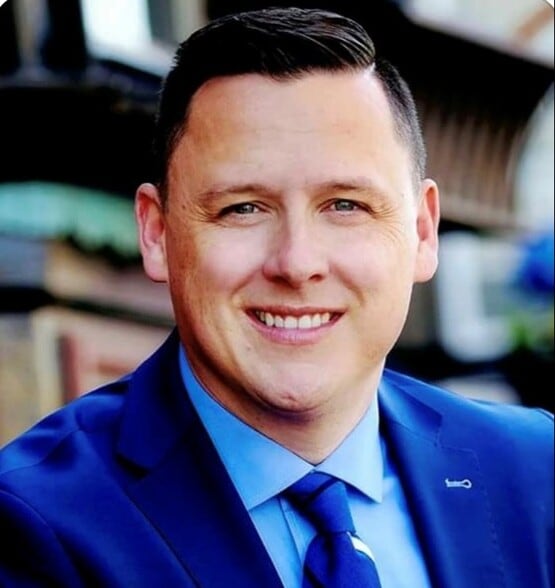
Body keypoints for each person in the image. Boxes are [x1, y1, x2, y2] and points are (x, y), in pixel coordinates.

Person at [0, 7, 552, 588]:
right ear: (157, 234)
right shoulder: (37, 525)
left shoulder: (535, 473)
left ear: (421, 231)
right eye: (243, 208)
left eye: (345, 205)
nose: (297, 263)